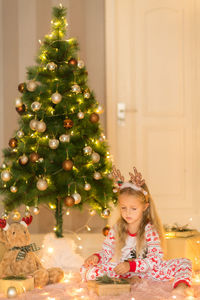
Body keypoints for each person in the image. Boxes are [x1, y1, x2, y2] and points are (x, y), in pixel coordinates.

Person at [80, 167, 193, 297]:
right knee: (87, 269)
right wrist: (97, 257)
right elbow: (107, 252)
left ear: (144, 207)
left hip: (148, 272)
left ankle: (181, 286)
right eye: (123, 208)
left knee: (185, 262)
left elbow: (155, 260)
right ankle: (126, 281)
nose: (127, 213)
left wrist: (132, 266)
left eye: (133, 208)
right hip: (123, 271)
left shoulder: (149, 229)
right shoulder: (117, 228)